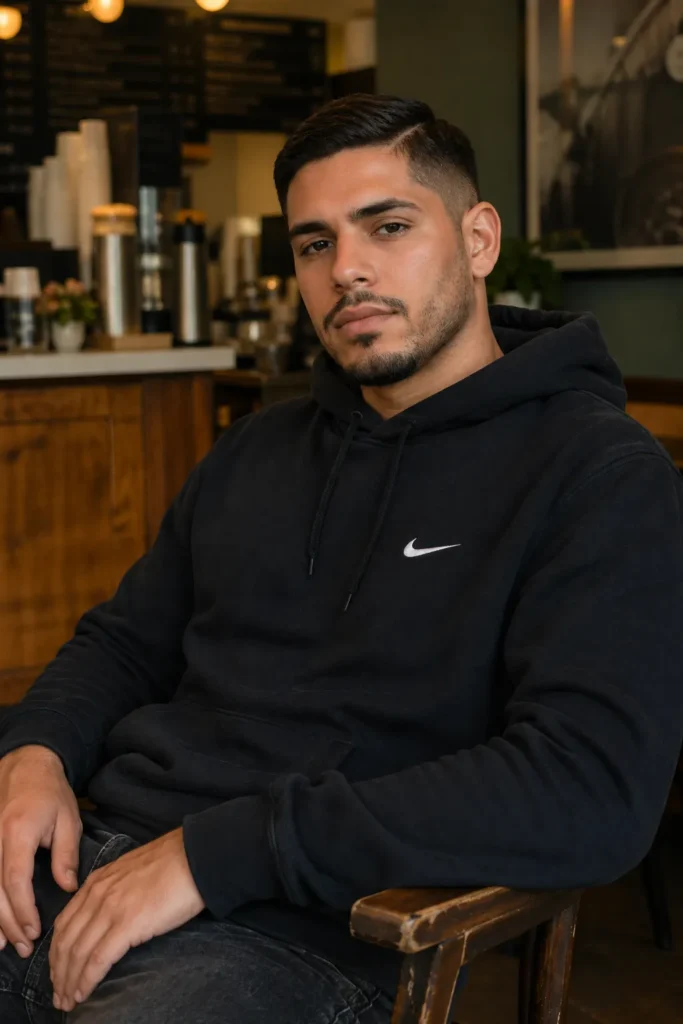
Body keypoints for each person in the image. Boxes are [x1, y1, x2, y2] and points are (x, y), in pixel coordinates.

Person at [1, 94, 682, 1023]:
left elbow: (587, 787)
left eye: (387, 226)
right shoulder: (256, 449)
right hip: (79, 861)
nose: (346, 271)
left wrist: (219, 855)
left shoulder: (596, 474)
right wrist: (34, 752)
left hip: (288, 934)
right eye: (313, 244)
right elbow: (124, 645)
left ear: (477, 239)